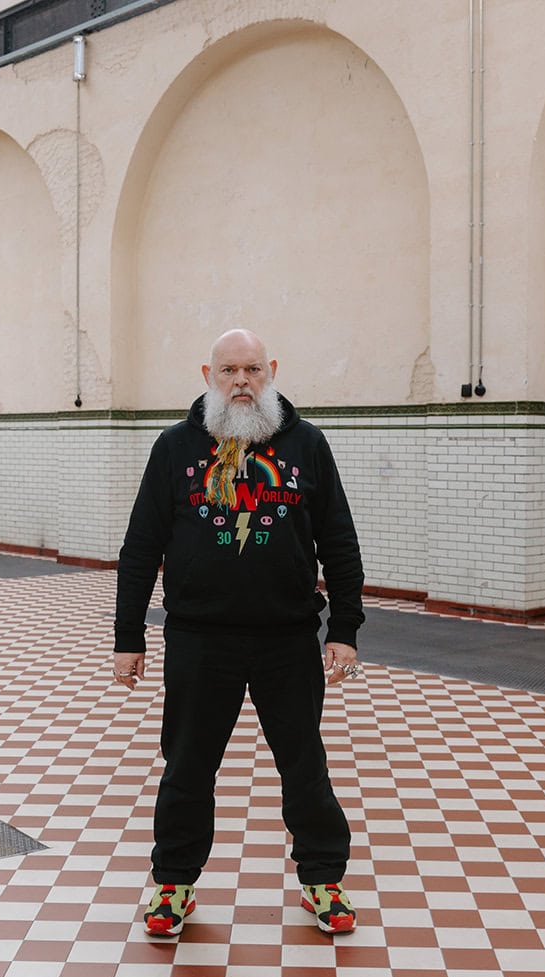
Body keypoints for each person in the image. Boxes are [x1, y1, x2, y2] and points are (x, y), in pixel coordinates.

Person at [113, 328, 366, 937]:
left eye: (252, 369)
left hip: (287, 638)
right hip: (201, 640)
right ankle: (172, 885)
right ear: (209, 375)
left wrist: (345, 626)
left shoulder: (306, 445)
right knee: (187, 768)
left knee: (305, 765)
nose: (242, 381)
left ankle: (322, 879)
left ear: (271, 370)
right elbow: (141, 546)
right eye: (229, 370)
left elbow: (338, 539)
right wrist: (129, 636)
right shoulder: (175, 449)